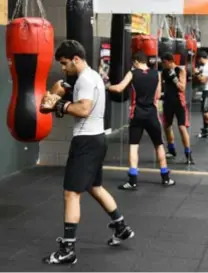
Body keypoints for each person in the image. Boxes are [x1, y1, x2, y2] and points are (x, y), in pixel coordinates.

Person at [40, 40, 134, 265]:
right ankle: (120, 227)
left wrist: (58, 106)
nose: (63, 68)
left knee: (71, 193)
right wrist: (56, 93)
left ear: (76, 59)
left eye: (65, 63)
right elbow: (63, 88)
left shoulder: (84, 79)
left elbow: (83, 109)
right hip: (97, 139)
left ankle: (68, 249)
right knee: (94, 186)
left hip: (86, 141)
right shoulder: (92, 77)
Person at [107, 51, 176, 190]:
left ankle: (132, 180)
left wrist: (107, 86)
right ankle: (165, 178)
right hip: (152, 113)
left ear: (136, 61)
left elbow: (119, 88)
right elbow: (157, 95)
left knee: (134, 146)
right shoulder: (157, 73)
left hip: (137, 113)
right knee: (159, 145)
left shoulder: (132, 73)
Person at [160, 52, 194, 165]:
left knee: (181, 127)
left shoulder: (180, 71)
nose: (163, 65)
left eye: (165, 63)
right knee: (167, 126)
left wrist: (174, 78)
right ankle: (171, 150)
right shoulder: (163, 72)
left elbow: (182, 88)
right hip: (168, 102)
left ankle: (188, 154)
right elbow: (161, 87)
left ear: (170, 62)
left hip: (179, 103)